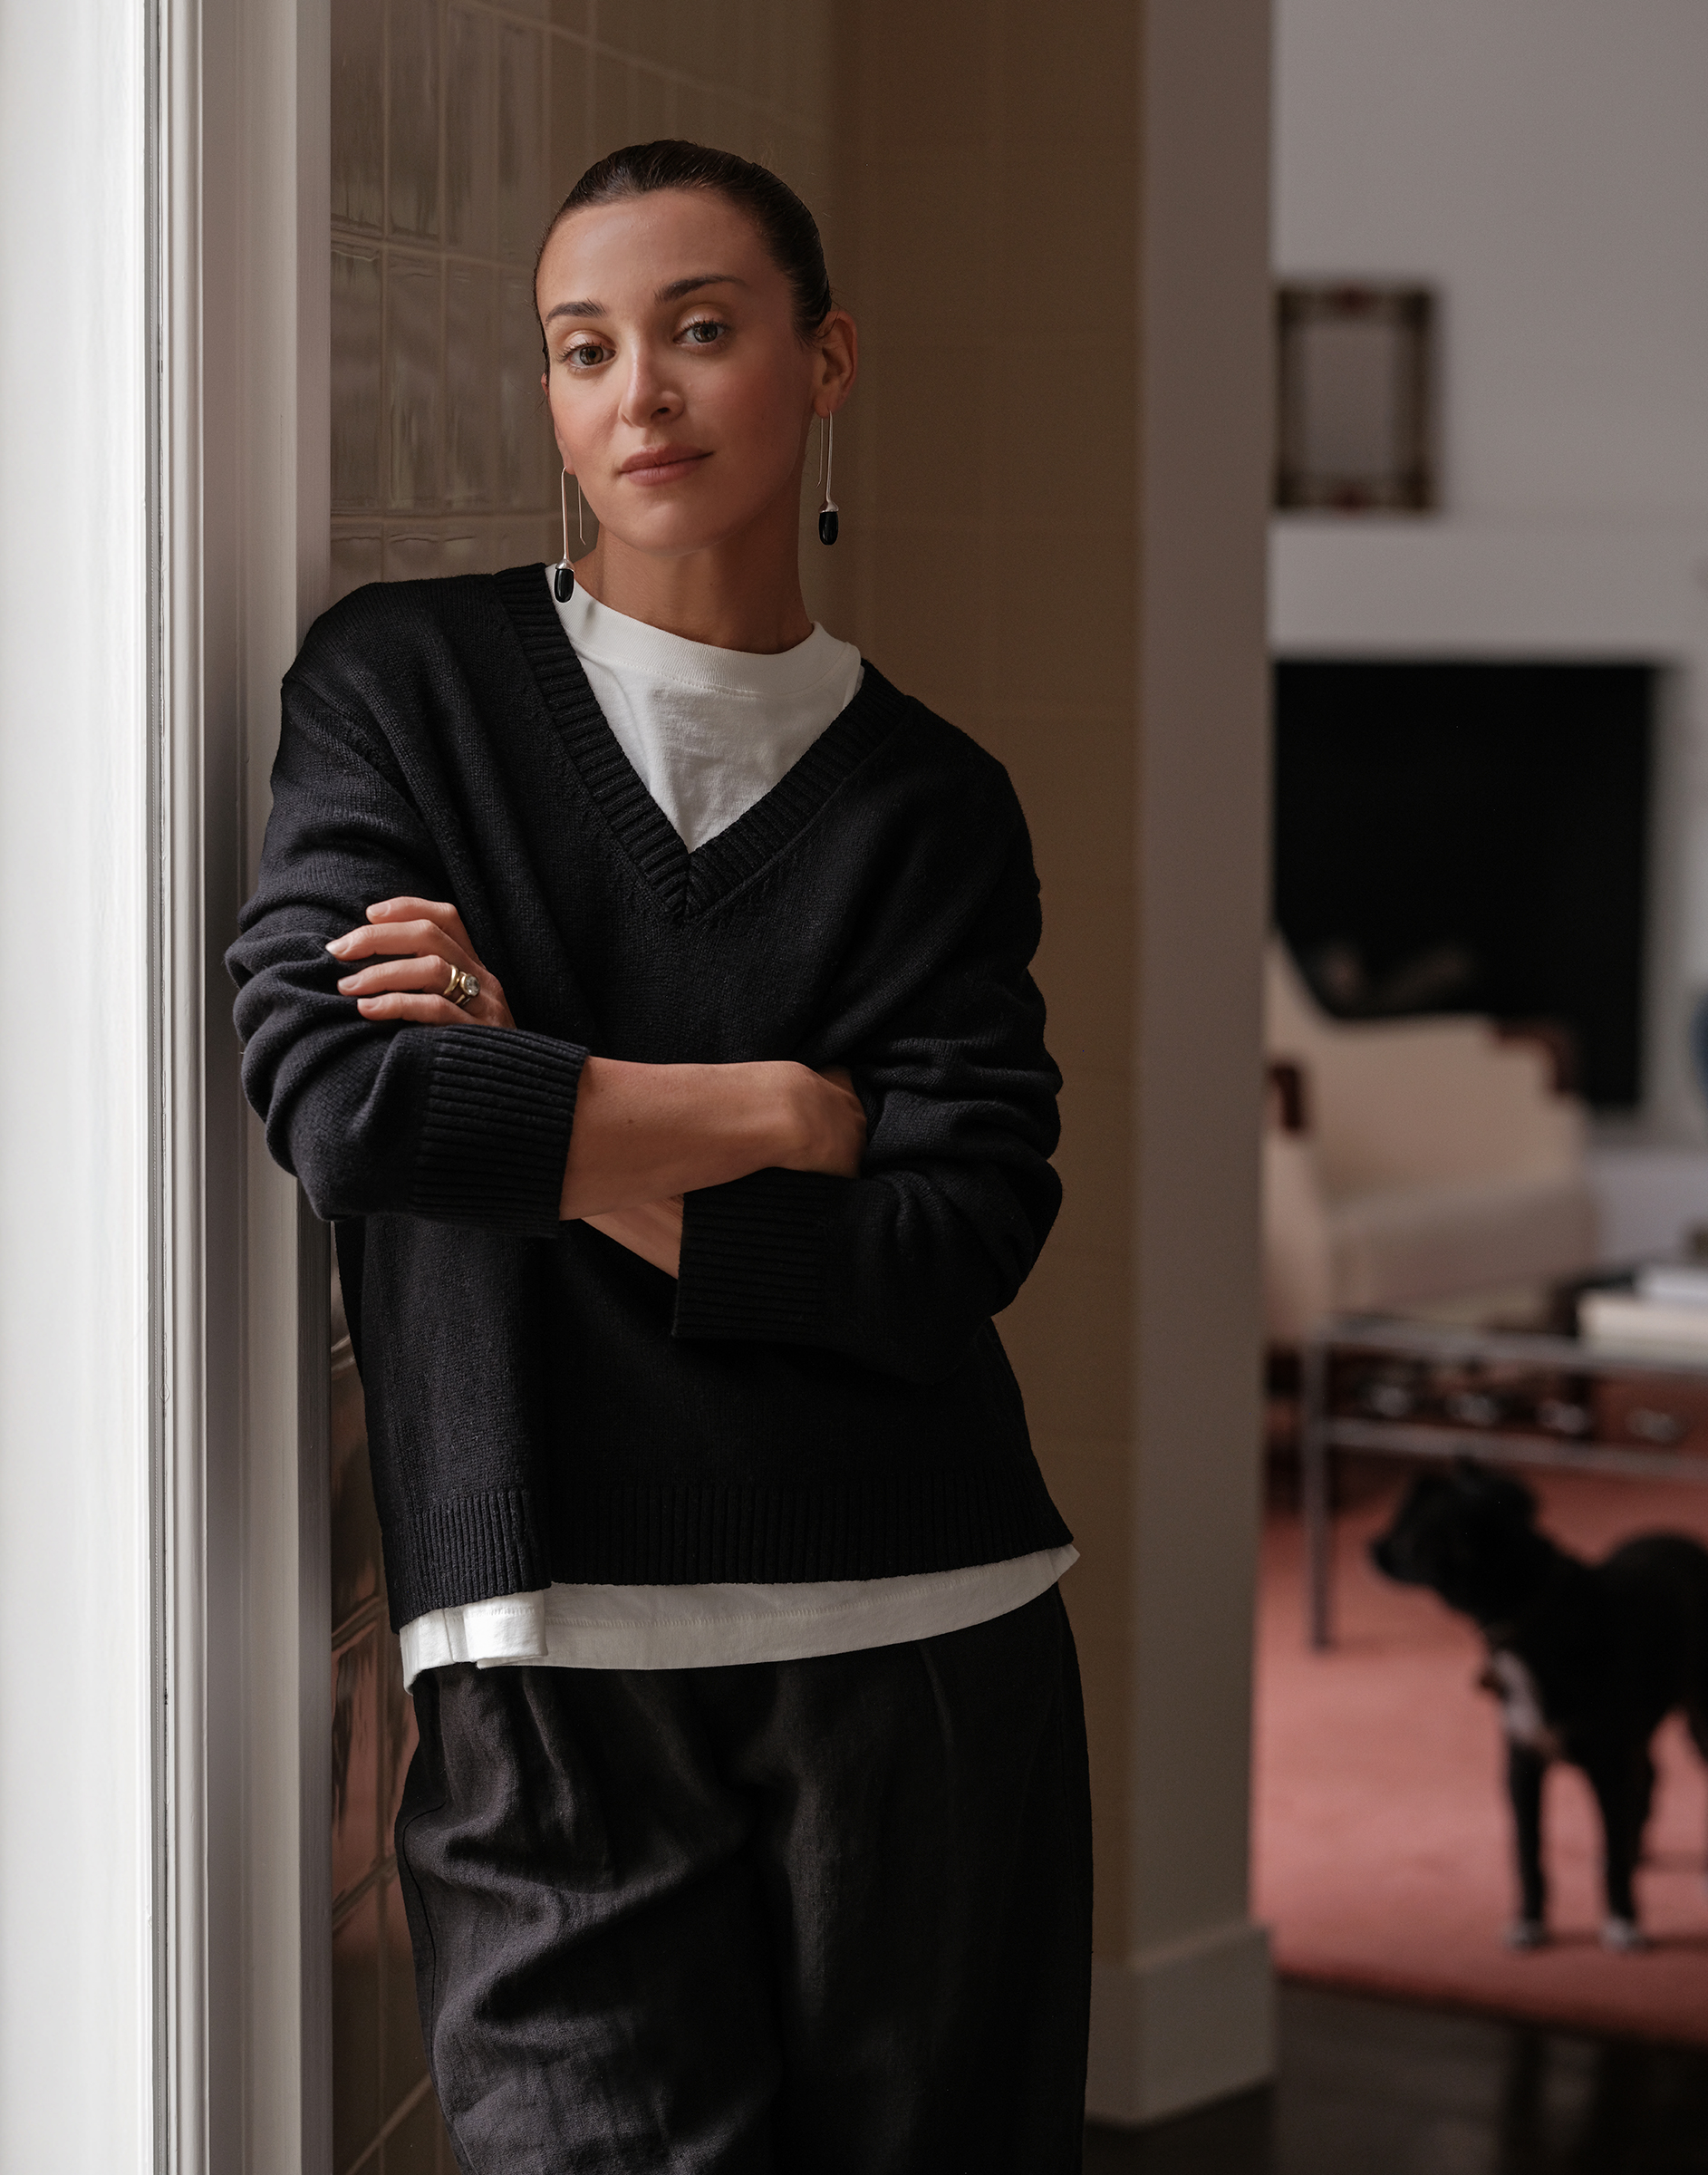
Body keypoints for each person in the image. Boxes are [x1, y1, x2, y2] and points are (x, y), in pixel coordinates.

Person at [230, 140, 1090, 2173]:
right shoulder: (405, 688)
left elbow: (955, 1235)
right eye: (584, 346)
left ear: (825, 360)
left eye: (700, 329)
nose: (643, 394)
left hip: (922, 1638)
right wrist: (784, 1113)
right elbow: (349, 1104)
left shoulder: (932, 803)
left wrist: (526, 1090)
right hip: (543, 1660)